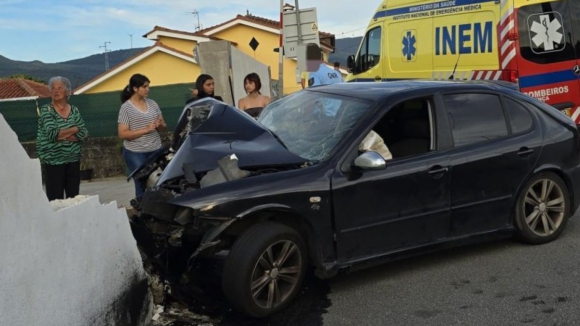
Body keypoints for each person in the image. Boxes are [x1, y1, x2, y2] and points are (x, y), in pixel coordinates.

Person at [36, 76, 88, 201]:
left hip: (73, 160)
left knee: (74, 199)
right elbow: (53, 134)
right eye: (53, 88)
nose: (56, 91)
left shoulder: (74, 110)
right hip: (53, 162)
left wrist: (64, 134)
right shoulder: (46, 110)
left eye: (60, 88)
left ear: (67, 91)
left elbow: (84, 133)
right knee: (55, 200)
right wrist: (74, 129)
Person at [118, 73, 167, 199]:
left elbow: (163, 127)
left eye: (148, 86)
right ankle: (141, 210)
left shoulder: (153, 104)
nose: (147, 89)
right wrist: (146, 129)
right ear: (135, 88)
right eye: (144, 87)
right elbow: (123, 133)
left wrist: (160, 125)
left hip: (156, 149)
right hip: (136, 152)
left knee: (160, 180)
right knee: (141, 181)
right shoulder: (126, 108)